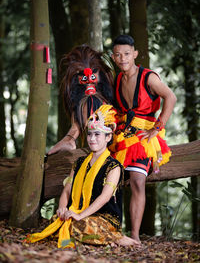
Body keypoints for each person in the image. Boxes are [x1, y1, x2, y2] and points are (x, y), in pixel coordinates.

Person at [27, 105, 139, 248]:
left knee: (79, 225)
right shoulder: (79, 162)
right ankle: (101, 239)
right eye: (90, 134)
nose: (92, 139)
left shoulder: (114, 166)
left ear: (108, 137)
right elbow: (67, 190)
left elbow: (104, 197)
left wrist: (80, 215)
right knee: (57, 222)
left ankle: (116, 237)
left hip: (104, 219)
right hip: (78, 213)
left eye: (97, 134)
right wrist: (62, 208)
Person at [109, 34, 177, 244]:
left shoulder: (148, 77)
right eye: (118, 55)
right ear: (113, 57)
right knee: (109, 179)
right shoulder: (117, 78)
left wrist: (158, 127)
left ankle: (135, 236)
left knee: (138, 181)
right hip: (122, 135)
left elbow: (171, 97)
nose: (123, 59)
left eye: (127, 54)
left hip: (144, 135)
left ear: (135, 54)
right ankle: (110, 230)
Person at [48, 45, 114, 155]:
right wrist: (70, 138)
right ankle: (70, 140)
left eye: (93, 78)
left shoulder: (109, 96)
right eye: (84, 79)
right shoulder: (80, 103)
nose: (89, 84)